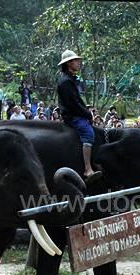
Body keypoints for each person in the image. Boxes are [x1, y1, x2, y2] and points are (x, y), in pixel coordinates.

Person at [57, 49, 102, 183]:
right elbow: (73, 104)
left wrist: (88, 111)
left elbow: (77, 101)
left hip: (76, 113)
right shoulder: (65, 81)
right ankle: (87, 169)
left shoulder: (71, 80)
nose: (78, 63)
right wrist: (87, 114)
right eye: (76, 61)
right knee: (88, 132)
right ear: (69, 63)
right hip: (71, 116)